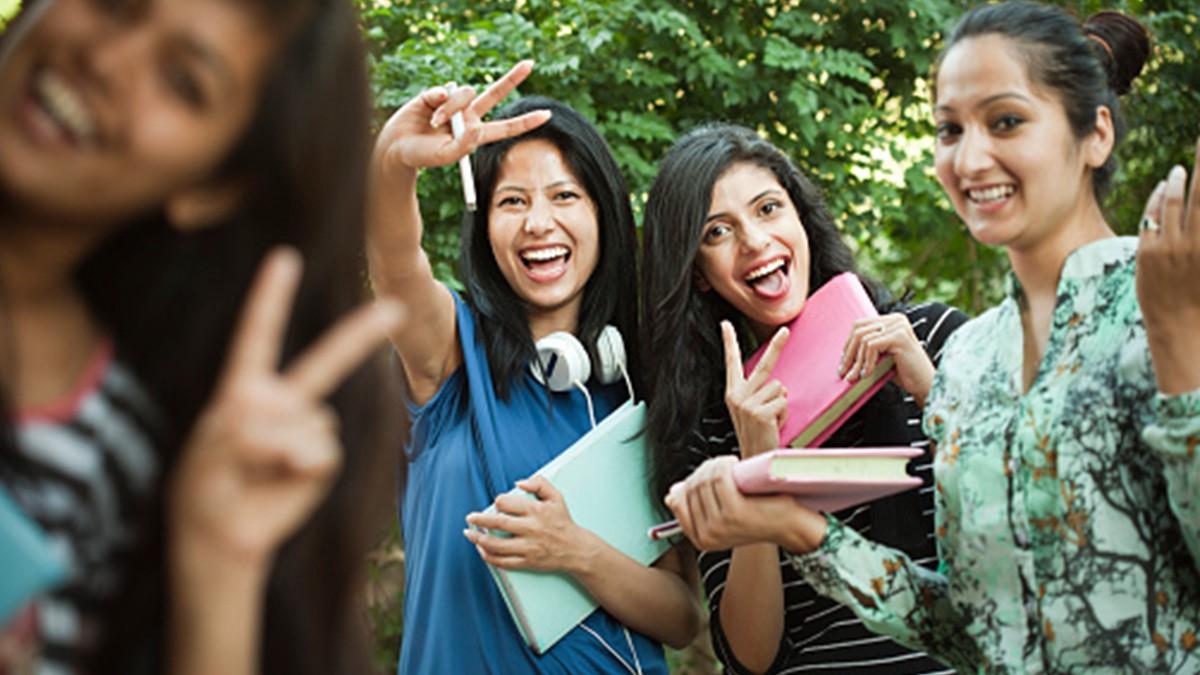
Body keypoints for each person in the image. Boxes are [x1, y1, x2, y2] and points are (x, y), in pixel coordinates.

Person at [666, 2, 1200, 672]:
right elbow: (971, 624)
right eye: (950, 130)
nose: (972, 158)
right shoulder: (974, 358)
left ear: (1095, 134)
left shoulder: (1154, 304)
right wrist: (789, 519)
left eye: (1006, 121)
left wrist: (1180, 347)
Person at [0, 0, 402, 673]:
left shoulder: (117, 458)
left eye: (183, 82)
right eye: (114, 4)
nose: (104, 61)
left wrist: (219, 568)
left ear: (212, 186)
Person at [367, 63, 702, 673]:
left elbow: (681, 616)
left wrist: (574, 551)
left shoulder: (632, 387)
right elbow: (393, 266)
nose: (538, 223)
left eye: (565, 196)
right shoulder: (448, 354)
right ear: (485, 227)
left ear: (603, 217)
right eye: (512, 202)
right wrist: (395, 164)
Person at [640, 122, 967, 674]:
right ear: (697, 275)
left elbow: (1041, 514)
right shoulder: (715, 422)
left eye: (768, 209)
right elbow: (750, 657)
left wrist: (929, 391)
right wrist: (757, 465)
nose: (755, 242)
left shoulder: (929, 338)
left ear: (801, 219)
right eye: (717, 233)